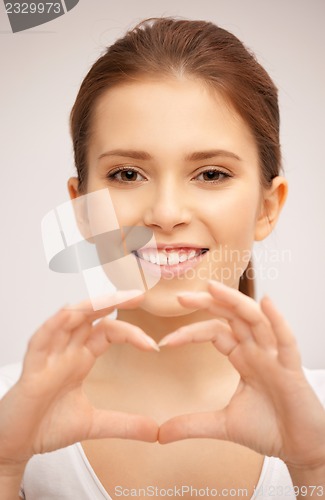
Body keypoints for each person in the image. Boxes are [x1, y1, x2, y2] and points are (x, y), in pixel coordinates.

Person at [0, 17, 324, 500]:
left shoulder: (317, 422)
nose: (166, 214)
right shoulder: (10, 412)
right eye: (128, 173)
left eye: (211, 174)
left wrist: (314, 470)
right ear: (81, 208)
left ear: (267, 206)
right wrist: (6, 466)